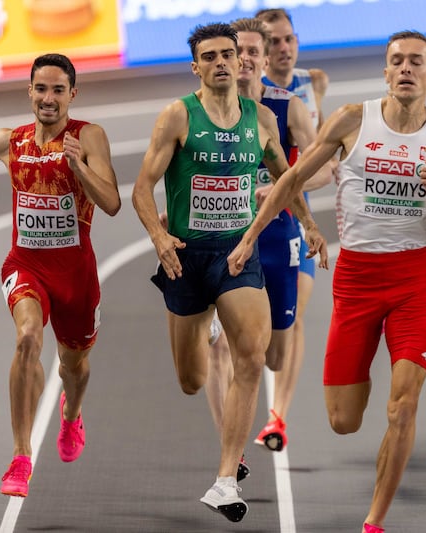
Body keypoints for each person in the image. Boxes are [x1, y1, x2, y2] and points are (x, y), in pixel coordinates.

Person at [228, 30, 426, 533]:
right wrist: (251, 235)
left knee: (403, 406)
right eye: (396, 61)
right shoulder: (350, 120)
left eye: (416, 62)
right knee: (344, 420)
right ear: (385, 72)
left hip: (411, 279)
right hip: (357, 281)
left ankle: (374, 522)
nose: (405, 68)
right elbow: (292, 179)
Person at [130, 22, 326, 523]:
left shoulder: (261, 119)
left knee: (253, 354)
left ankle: (224, 479)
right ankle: (204, 323)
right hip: (187, 259)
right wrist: (159, 237)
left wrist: (309, 224)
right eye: (210, 56)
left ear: (242, 61)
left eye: (229, 54)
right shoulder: (177, 116)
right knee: (192, 379)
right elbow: (141, 189)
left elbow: (286, 178)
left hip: (239, 255)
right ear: (195, 66)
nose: (222, 62)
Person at [0, 53, 121, 498]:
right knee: (27, 339)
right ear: (30, 91)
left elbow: (113, 203)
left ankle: (71, 414)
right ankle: (21, 457)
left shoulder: (90, 137)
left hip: (76, 275)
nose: (48, 98)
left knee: (74, 367)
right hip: (26, 265)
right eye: (41, 88)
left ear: (72, 95)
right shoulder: (10, 141)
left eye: (58, 90)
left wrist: (79, 167)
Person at [253, 6, 334, 453]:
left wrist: (286, 187)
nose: (284, 49)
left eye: (290, 39)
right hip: (243, 225)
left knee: (295, 318)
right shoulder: (245, 94)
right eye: (275, 42)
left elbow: (326, 167)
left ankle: (277, 416)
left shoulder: (312, 83)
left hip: (292, 222)